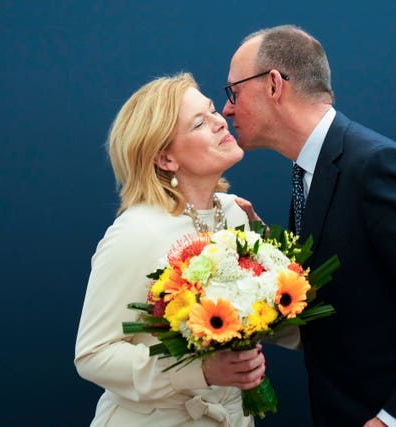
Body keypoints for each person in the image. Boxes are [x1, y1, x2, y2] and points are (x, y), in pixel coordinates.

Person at [223, 25, 396, 427]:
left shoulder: (376, 167)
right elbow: (349, 288)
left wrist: (394, 418)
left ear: (273, 85)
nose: (227, 108)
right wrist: (264, 251)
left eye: (234, 91)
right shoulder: (308, 172)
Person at [74, 72, 266, 427]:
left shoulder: (237, 213)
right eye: (199, 123)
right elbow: (93, 355)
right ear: (166, 159)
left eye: (212, 111)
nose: (219, 121)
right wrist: (200, 371)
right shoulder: (135, 233)